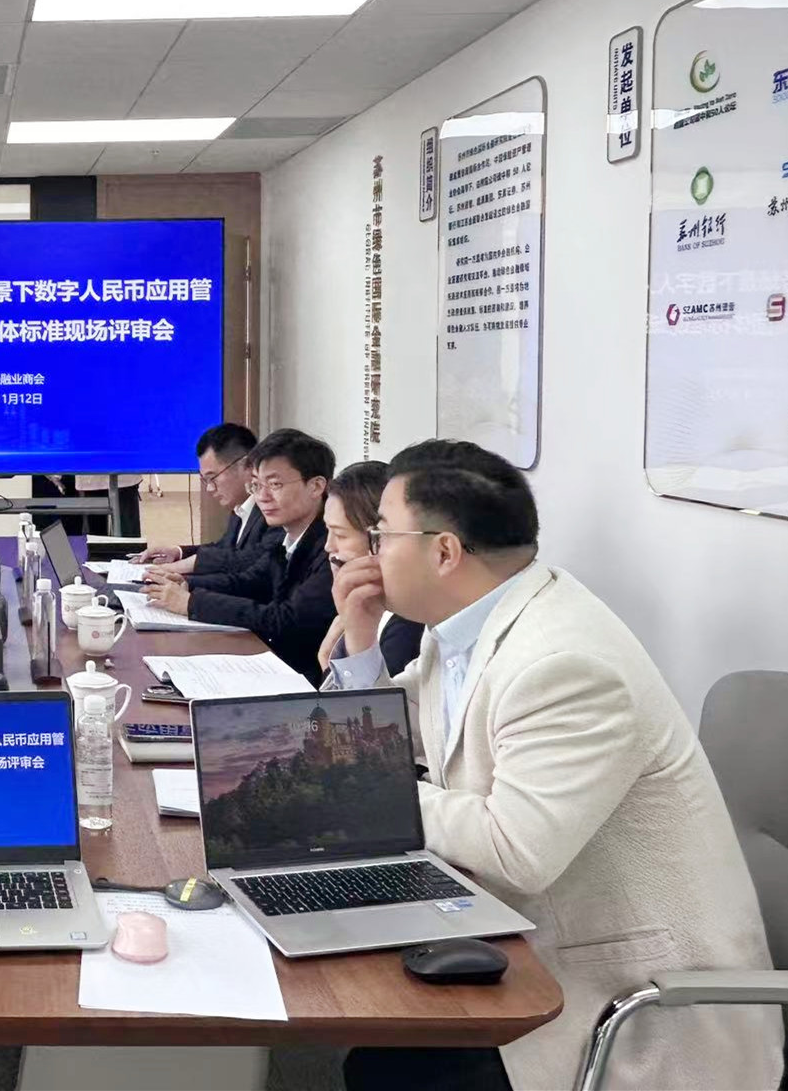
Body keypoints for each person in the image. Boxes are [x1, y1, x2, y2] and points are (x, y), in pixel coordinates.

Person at [330, 440, 780, 1091]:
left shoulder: (564, 662)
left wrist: (363, 791)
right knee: (379, 1044)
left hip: (628, 997)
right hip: (519, 937)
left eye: (380, 536)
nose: (367, 556)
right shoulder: (466, 625)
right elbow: (389, 737)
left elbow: (515, 849)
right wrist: (360, 638)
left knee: (392, 1063)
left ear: (444, 551)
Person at [144, 428, 336, 685]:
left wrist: (191, 603)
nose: (262, 497)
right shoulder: (287, 537)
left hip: (302, 683)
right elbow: (249, 582)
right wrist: (187, 585)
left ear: (316, 486)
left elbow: (287, 620)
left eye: (275, 484)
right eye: (257, 485)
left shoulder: (331, 547)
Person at [314, 461, 424, 679]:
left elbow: (374, 700)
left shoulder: (407, 624)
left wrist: (330, 664)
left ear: (380, 538)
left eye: (340, 535)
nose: (328, 546)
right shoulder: (365, 600)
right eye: (328, 531)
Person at [135, 423, 276, 580]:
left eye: (212, 477)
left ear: (246, 465)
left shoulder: (272, 511)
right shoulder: (240, 508)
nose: (209, 488)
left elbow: (247, 564)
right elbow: (223, 550)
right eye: (205, 480)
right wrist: (178, 552)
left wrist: (182, 576)